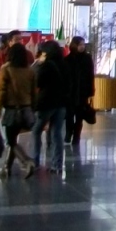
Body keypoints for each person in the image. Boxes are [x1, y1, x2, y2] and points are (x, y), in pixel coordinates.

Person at [0, 42, 38, 179]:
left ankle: (26, 161)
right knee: (12, 138)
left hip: (12, 110)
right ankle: (6, 168)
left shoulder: (6, 70)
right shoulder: (29, 71)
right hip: (26, 110)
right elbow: (34, 92)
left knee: (11, 141)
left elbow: (1, 92)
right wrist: (32, 108)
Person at [31, 40, 69, 174]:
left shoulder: (46, 65)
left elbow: (37, 81)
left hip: (46, 103)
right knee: (56, 133)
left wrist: (37, 64)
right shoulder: (65, 64)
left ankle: (34, 161)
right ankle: (57, 165)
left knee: (36, 131)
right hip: (61, 103)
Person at [63, 36, 96, 148]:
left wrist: (91, 91)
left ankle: (76, 137)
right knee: (69, 115)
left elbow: (91, 76)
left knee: (80, 116)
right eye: (80, 44)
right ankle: (68, 133)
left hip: (83, 92)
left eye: (83, 44)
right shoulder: (67, 59)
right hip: (70, 93)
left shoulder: (87, 58)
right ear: (74, 45)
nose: (82, 47)